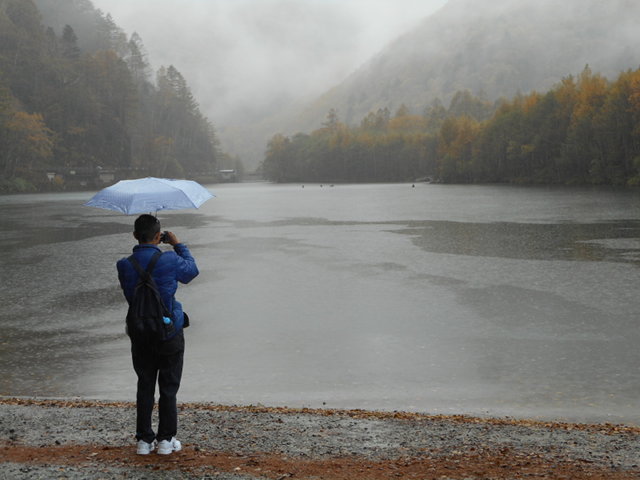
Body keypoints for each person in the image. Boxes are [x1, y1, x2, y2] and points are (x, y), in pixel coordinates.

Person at [116, 214, 199, 455]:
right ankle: (165, 441)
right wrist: (177, 244)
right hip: (168, 332)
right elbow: (192, 272)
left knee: (145, 385)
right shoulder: (170, 259)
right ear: (158, 236)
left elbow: (133, 296)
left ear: (134, 235)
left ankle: (143, 441)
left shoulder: (124, 265)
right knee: (168, 388)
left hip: (140, 332)